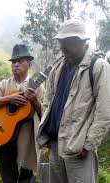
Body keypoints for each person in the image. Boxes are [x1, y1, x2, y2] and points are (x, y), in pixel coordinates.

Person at [36, 20, 110, 183]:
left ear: (81, 41)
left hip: (79, 148)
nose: (62, 47)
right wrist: (46, 132)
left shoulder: (98, 67)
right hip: (55, 145)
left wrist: (89, 144)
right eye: (60, 42)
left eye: (67, 42)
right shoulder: (58, 67)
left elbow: (104, 112)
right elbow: (48, 101)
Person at [0, 44, 44, 183]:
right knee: (7, 178)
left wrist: (35, 101)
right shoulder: (4, 84)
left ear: (29, 64)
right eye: (13, 62)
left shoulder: (38, 87)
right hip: (4, 137)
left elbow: (45, 114)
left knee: (26, 179)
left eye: (20, 61)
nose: (15, 64)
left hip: (27, 142)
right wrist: (8, 98)